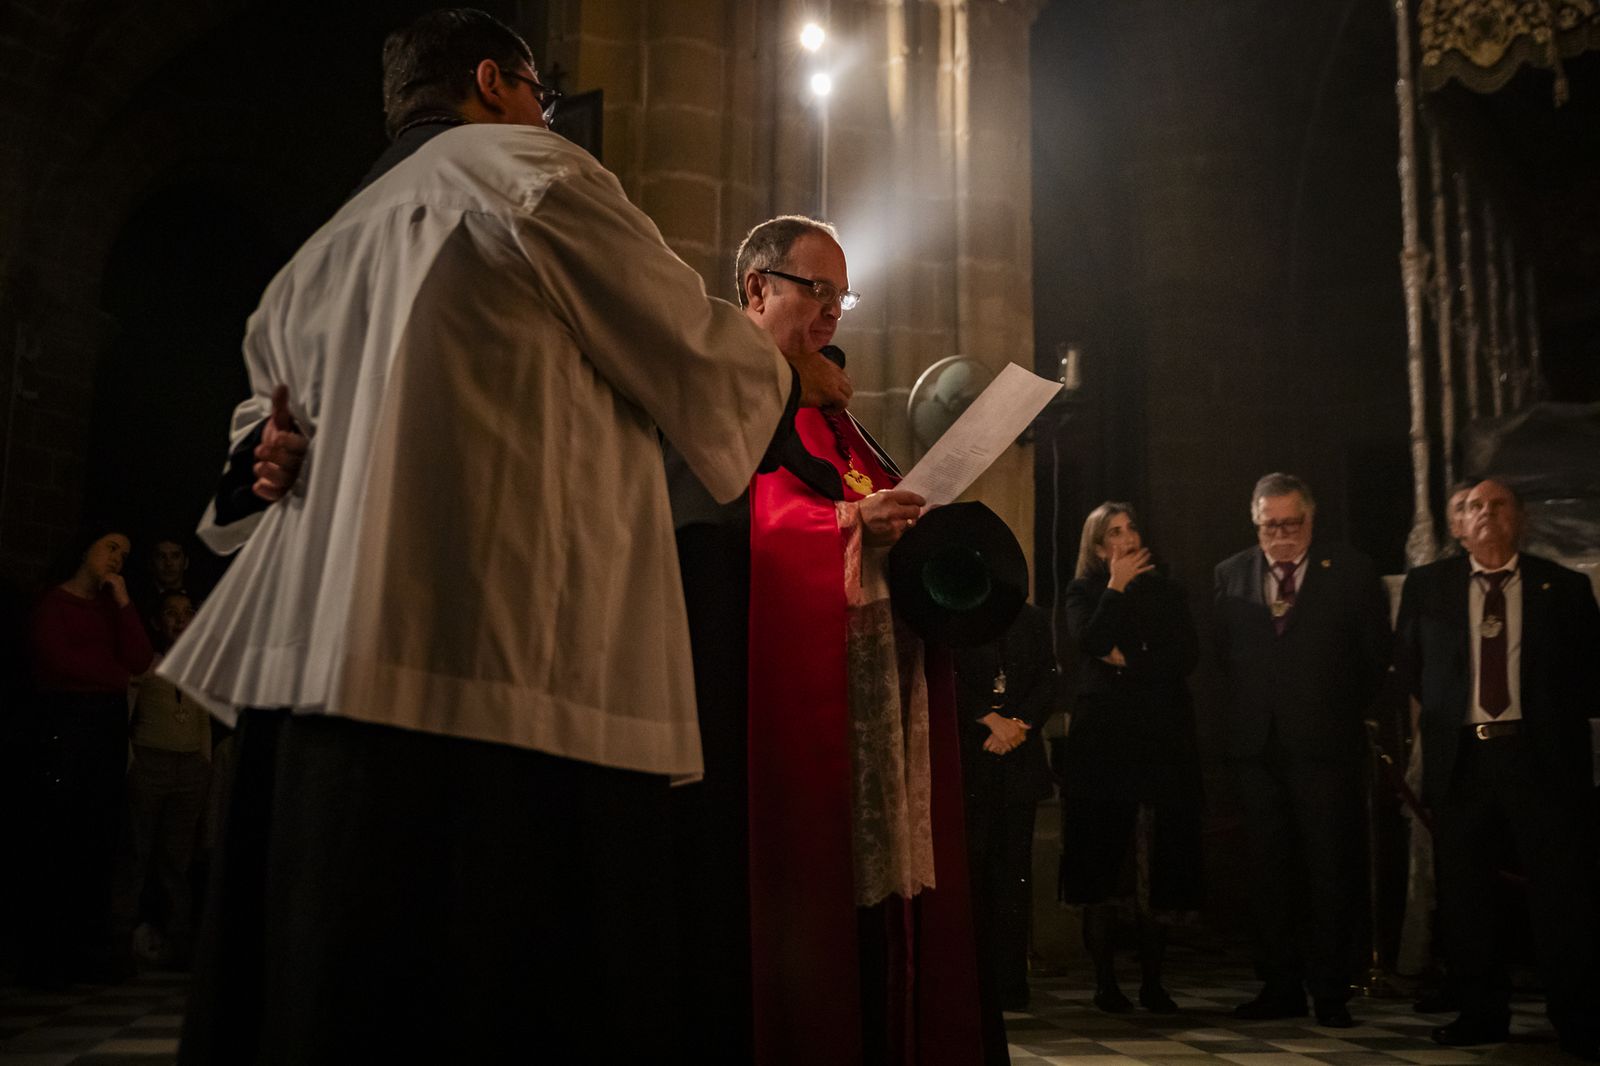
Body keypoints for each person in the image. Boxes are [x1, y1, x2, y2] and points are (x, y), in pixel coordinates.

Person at [158, 10, 846, 1063]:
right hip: (498, 677)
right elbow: (690, 350)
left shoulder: (321, 247)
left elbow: (259, 440)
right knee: (496, 991)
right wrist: (789, 373)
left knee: (327, 991)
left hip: (314, 685)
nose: (549, 111)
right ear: (494, 81)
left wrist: (268, 456)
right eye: (541, 89)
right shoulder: (531, 169)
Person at [742, 218, 1001, 1065]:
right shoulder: (734, 393)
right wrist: (852, 523)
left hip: (884, 703)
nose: (831, 314)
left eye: (840, 296)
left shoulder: (835, 411)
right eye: (814, 290)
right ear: (756, 290)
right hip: (787, 717)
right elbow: (745, 522)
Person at [1396, 479, 1600, 1059]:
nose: (1484, 513)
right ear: (1455, 527)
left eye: (1497, 504)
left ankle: (1578, 1018)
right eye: (1470, 507)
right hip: (1464, 759)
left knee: (1562, 894)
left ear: (1520, 518)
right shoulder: (1427, 587)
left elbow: (1590, 674)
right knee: (1467, 897)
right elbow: (1411, 669)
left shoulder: (1562, 588)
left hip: (1541, 759)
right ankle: (1481, 1013)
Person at [1212, 473, 1391, 1027]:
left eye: (1293, 524)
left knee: (1329, 869)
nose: (1282, 535)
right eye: (1271, 525)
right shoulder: (1230, 574)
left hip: (1325, 747)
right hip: (1257, 750)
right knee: (1269, 872)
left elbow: (1372, 658)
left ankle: (1331, 990)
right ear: (1255, 522)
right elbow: (1223, 662)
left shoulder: (1352, 572)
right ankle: (1279, 985)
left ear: (1311, 520)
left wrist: (1334, 714)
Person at [1060, 503, 1202, 1014]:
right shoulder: (1083, 592)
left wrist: (1131, 661)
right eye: (1114, 533)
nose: (1127, 538)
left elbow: (1184, 656)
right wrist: (1116, 589)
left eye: (1131, 528)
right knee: (1103, 862)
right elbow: (1091, 641)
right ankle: (1105, 981)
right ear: (1099, 547)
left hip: (1160, 743)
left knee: (1155, 864)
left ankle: (1154, 981)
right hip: (1103, 748)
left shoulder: (1169, 591)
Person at [22, 526, 154, 988]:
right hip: (66, 726)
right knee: (60, 834)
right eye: (111, 547)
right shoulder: (53, 603)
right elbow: (58, 662)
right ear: (85, 548)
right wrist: (115, 678)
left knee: (99, 835)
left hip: (105, 729)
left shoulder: (109, 607)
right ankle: (49, 953)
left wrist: (122, 602)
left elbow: (139, 659)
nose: (118, 557)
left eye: (126, 552)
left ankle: (89, 950)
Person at [955, 600, 1058, 1013]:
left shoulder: (1030, 617)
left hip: (1018, 758)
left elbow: (1048, 679)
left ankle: (1011, 983)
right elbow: (945, 674)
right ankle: (972, 982)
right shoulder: (955, 616)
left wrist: (1017, 725)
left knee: (1014, 874)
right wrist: (988, 719)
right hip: (971, 756)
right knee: (972, 873)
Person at [112, 591, 209, 969]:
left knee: (178, 858)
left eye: (187, 613)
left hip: (190, 768)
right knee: (135, 851)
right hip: (151, 762)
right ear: (157, 621)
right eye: (171, 613)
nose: (180, 620)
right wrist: (133, 759)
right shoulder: (146, 664)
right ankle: (120, 937)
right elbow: (128, 711)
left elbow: (202, 718)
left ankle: (178, 940)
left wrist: (204, 760)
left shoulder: (200, 665)